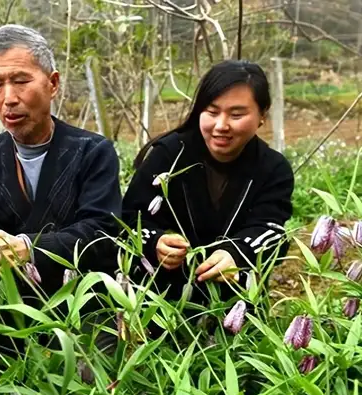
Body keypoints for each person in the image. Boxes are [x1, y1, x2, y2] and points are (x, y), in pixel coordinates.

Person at [0, 25, 122, 298]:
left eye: (21, 81)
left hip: (83, 303)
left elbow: (102, 233)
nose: (9, 99)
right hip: (7, 306)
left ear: (53, 83)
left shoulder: (92, 152)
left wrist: (29, 247)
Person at [122, 60, 294, 316]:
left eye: (236, 115)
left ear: (262, 115)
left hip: (236, 307)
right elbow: (128, 220)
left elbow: (272, 232)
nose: (221, 125)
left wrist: (238, 253)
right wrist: (156, 243)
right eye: (212, 112)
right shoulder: (169, 156)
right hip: (162, 308)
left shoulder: (272, 168)